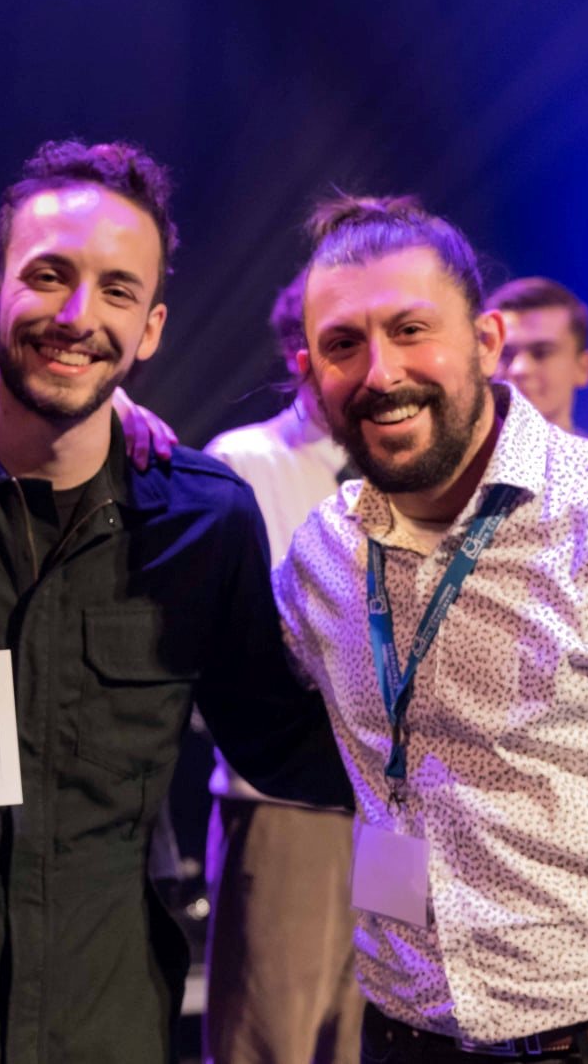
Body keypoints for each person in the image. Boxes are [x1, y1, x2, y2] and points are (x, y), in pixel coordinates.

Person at [0, 139, 349, 1063]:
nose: (76, 315)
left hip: (101, 1022)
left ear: (149, 328)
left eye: (115, 290)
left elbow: (284, 744)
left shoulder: (203, 519)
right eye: (49, 276)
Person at [276, 193, 588, 1061]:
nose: (380, 371)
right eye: (344, 343)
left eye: (411, 328)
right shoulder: (322, 558)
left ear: (487, 343)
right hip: (414, 1037)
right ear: (310, 370)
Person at [200, 271, 361, 1064]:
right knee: (271, 1035)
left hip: (398, 807)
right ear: (302, 353)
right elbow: (233, 647)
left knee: (368, 1033)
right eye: (344, 337)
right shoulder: (248, 461)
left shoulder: (405, 471)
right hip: (291, 800)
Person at [487, 275, 588, 433]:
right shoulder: (454, 457)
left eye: (541, 353)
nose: (519, 369)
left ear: (584, 368)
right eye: (505, 353)